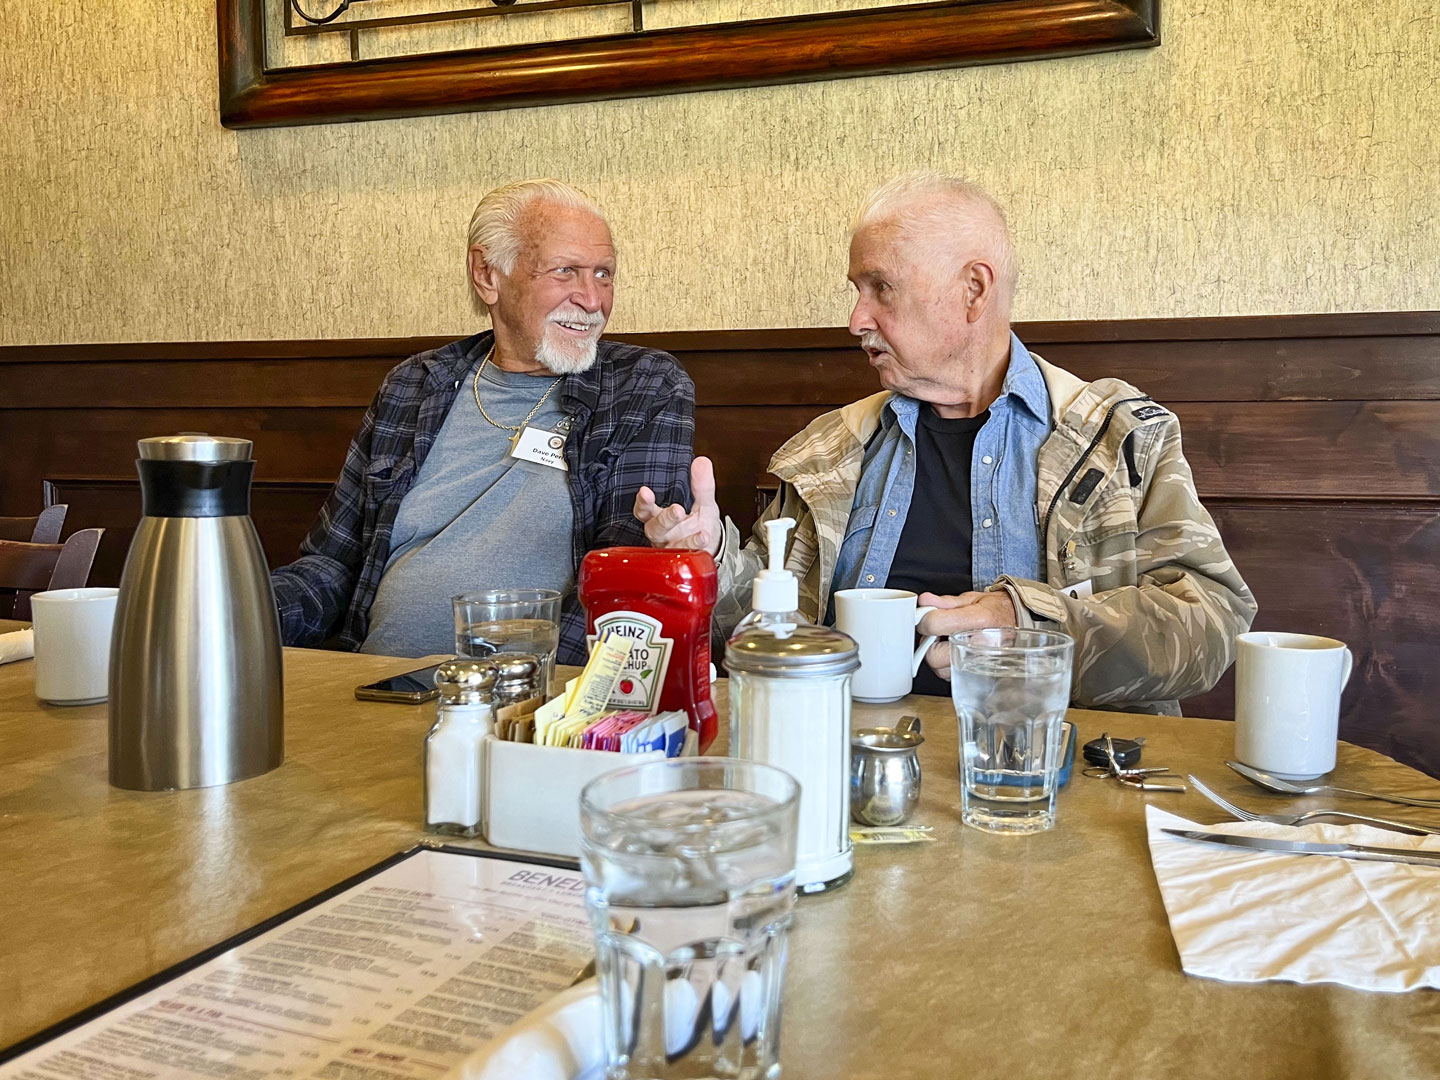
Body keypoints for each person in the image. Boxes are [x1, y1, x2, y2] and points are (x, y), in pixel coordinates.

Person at [635, 173, 1255, 712]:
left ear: (974, 290)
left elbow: (1211, 624)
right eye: (857, 290)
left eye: (881, 287)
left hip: (1038, 770)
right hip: (847, 760)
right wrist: (709, 557)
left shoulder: (1115, 439)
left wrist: (1031, 626)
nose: (856, 319)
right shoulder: (829, 452)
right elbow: (766, 631)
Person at [273, 179, 694, 664]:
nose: (593, 300)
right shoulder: (414, 385)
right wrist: (233, 613)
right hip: (376, 684)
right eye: (566, 272)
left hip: (525, 701)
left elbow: (624, 575)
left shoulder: (642, 386)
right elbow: (333, 563)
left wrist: (537, 704)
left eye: (603, 274)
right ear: (487, 275)